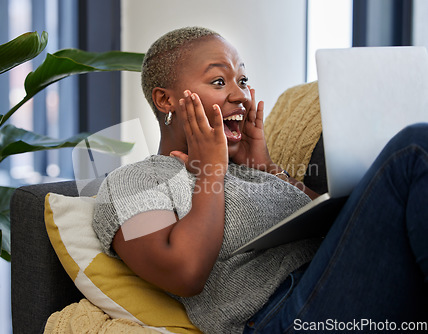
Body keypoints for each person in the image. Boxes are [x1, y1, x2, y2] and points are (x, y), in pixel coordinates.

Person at [92, 27, 428, 333]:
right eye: (219, 82)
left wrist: (268, 168)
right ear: (166, 100)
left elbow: (339, 226)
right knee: (412, 149)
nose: (240, 95)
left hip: (341, 283)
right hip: (281, 316)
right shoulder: (131, 182)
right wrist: (211, 172)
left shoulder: (249, 166)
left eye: (242, 80)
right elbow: (184, 272)